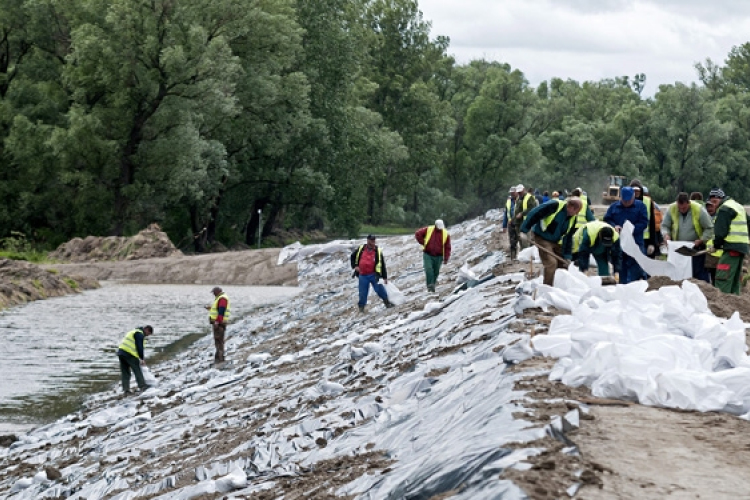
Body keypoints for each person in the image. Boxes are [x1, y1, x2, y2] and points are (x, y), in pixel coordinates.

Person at [520, 197, 582, 286]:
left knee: (564, 264)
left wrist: (567, 256)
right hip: (542, 237)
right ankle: (547, 289)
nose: (576, 213)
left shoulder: (573, 218)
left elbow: (568, 238)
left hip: (555, 241)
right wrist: (524, 230)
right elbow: (535, 213)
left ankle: (559, 288)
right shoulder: (554, 206)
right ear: (570, 207)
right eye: (576, 210)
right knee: (551, 263)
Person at [661, 192, 714, 283]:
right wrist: (666, 235)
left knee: (698, 273)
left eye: (684, 208)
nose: (682, 210)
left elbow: (709, 228)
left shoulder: (698, 210)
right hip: (678, 249)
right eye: (680, 208)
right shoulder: (672, 209)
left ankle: (703, 291)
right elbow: (665, 225)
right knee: (678, 272)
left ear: (688, 203)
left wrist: (701, 240)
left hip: (695, 248)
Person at [604, 186, 649, 284]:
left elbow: (644, 222)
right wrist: (614, 226)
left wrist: (631, 229)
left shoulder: (640, 207)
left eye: (629, 201)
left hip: (635, 243)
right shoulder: (614, 207)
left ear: (633, 197)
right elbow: (607, 220)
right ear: (620, 198)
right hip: (619, 244)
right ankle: (622, 287)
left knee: (637, 267)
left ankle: (634, 286)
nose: (627, 203)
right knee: (620, 267)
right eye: (625, 201)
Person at [708, 188, 749, 295]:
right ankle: (734, 304)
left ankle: (722, 304)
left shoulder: (724, 209)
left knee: (723, 277)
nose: (714, 205)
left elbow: (721, 232)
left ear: (721, 199)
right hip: (741, 249)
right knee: (734, 280)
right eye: (711, 202)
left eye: (715, 202)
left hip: (732, 249)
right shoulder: (738, 206)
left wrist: (716, 245)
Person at [351, 235, 393, 312]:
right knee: (362, 293)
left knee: (380, 290)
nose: (373, 242)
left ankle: (387, 303)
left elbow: (382, 265)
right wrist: (355, 266)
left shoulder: (378, 251)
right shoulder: (361, 248)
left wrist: (385, 277)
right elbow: (352, 256)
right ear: (367, 240)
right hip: (363, 275)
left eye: (374, 240)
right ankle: (361, 309)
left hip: (374, 275)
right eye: (371, 240)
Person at [415, 219, 451, 292]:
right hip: (428, 254)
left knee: (436, 272)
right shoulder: (429, 229)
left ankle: (432, 285)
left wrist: (446, 258)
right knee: (429, 269)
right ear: (435, 225)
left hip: (439, 256)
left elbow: (447, 247)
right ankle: (430, 285)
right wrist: (423, 242)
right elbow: (418, 234)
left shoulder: (446, 234)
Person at [116, 325, 154, 394]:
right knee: (137, 370)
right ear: (147, 330)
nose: (147, 335)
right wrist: (142, 358)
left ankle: (126, 390)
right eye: (148, 334)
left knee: (125, 372)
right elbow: (139, 347)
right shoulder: (139, 334)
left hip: (121, 352)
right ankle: (142, 386)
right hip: (129, 354)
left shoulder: (134, 331)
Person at [630, 179, 662, 258]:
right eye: (634, 190)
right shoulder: (626, 201)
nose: (636, 192)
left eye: (637, 190)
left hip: (646, 239)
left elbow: (652, 222)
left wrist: (652, 243)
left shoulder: (647, 201)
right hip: (631, 238)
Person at [207, 287, 231, 364]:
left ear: (218, 291)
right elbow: (218, 310)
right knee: (218, 340)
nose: (213, 294)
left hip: (219, 323)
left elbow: (221, 311)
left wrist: (217, 322)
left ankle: (220, 359)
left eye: (214, 292)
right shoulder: (220, 298)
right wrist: (210, 309)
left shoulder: (222, 298)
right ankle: (218, 358)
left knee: (219, 340)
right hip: (219, 322)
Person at [513, 184, 538, 251]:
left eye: (520, 192)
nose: (519, 193)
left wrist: (522, 213)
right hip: (518, 222)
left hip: (526, 222)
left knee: (526, 239)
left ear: (524, 190)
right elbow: (516, 209)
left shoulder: (529, 197)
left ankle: (527, 252)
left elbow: (532, 208)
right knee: (520, 238)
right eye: (518, 192)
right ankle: (522, 252)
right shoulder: (518, 198)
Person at [704, 199, 722, 284]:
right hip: (709, 253)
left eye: (711, 206)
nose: (709, 208)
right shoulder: (704, 219)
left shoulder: (719, 218)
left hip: (718, 252)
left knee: (719, 275)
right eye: (707, 207)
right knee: (712, 275)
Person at [503, 186, 519, 259]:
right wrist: (504, 226)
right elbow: (506, 213)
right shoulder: (509, 201)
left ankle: (522, 256)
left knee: (521, 239)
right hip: (511, 224)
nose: (512, 194)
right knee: (512, 241)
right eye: (511, 193)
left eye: (513, 192)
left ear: (516, 192)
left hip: (519, 223)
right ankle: (513, 257)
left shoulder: (520, 200)